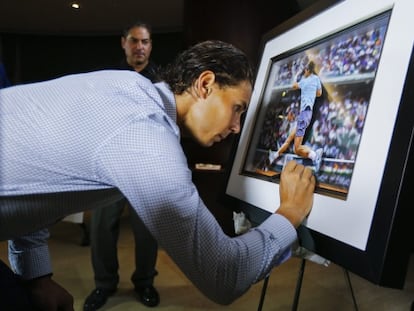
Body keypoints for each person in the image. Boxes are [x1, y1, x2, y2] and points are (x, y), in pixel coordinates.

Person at [0, 40, 315, 311]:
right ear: (205, 84)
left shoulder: (123, 88)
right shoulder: (144, 131)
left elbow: (37, 175)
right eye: (237, 108)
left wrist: (36, 277)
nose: (236, 126)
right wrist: (289, 213)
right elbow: (223, 275)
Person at [83, 21, 160, 311]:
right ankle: (104, 284)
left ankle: (144, 283)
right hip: (111, 166)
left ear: (151, 46)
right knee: (101, 228)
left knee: (147, 231)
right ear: (124, 43)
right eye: (135, 41)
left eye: (145, 41)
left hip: (146, 165)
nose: (140, 46)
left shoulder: (162, 81)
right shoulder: (109, 78)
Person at [277, 60, 323, 172]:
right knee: (291, 143)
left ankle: (315, 155)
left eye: (304, 71)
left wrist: (296, 74)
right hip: (306, 114)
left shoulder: (304, 80)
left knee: (297, 148)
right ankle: (313, 154)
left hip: (304, 114)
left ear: (307, 70)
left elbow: (293, 85)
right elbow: (319, 94)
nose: (303, 73)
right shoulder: (316, 79)